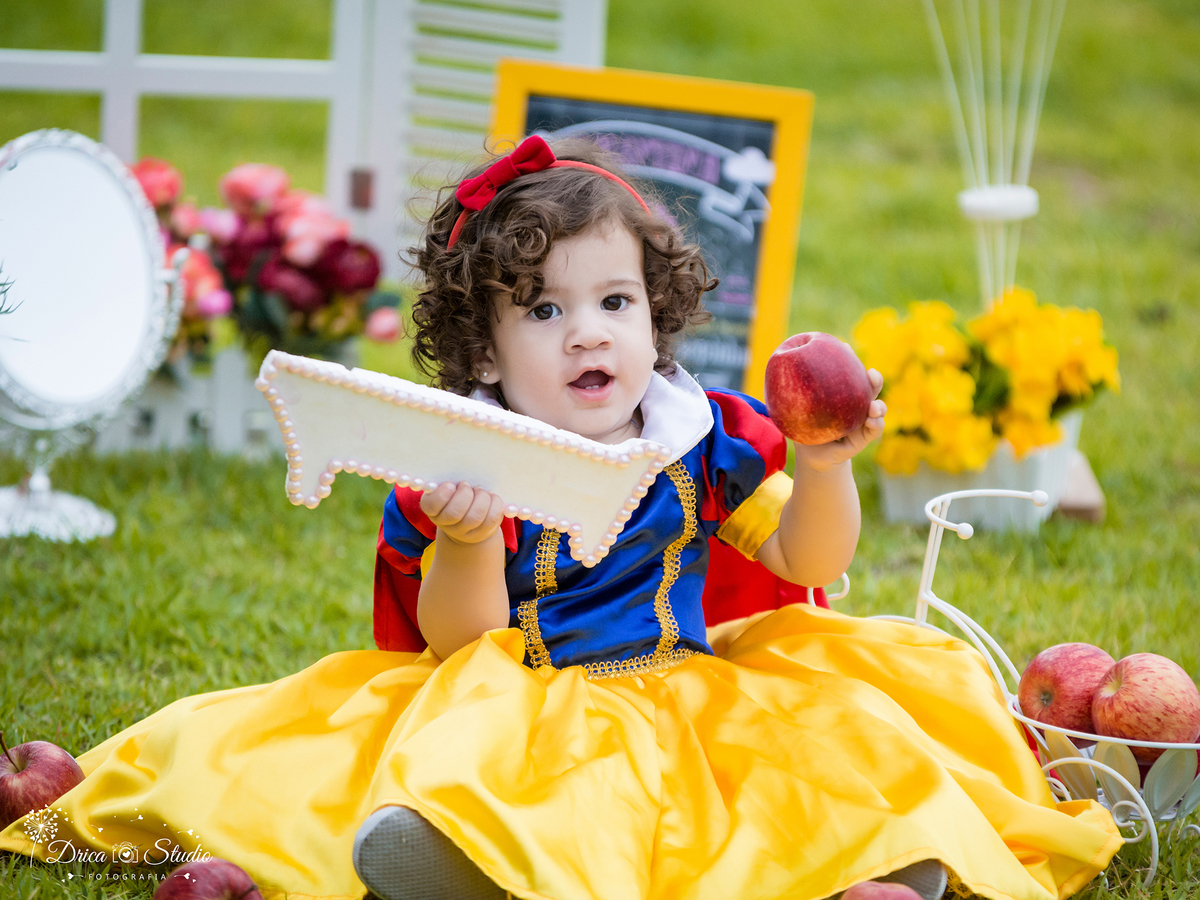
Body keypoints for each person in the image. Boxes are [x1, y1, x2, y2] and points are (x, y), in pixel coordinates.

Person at [0, 137, 1120, 900]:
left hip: (677, 679)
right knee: (404, 757)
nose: (589, 334)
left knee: (819, 756)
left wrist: (825, 467)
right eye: (546, 311)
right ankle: (454, 855)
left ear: (657, 316)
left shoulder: (698, 435)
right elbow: (457, 643)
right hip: (517, 686)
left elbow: (802, 559)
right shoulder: (466, 456)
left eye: (615, 303)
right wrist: (471, 536)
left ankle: (874, 857)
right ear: (485, 351)